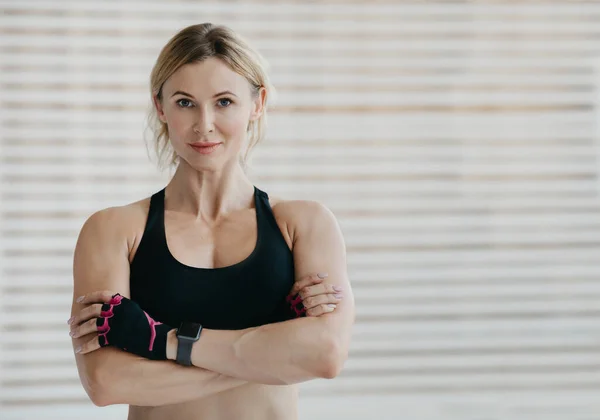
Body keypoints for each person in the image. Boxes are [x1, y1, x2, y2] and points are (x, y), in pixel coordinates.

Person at [68, 22, 355, 420]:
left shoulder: (304, 225)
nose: (204, 124)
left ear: (257, 103)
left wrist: (161, 341)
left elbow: (326, 355)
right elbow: (105, 382)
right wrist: (274, 349)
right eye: (185, 102)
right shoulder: (115, 230)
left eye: (224, 102)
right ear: (160, 106)